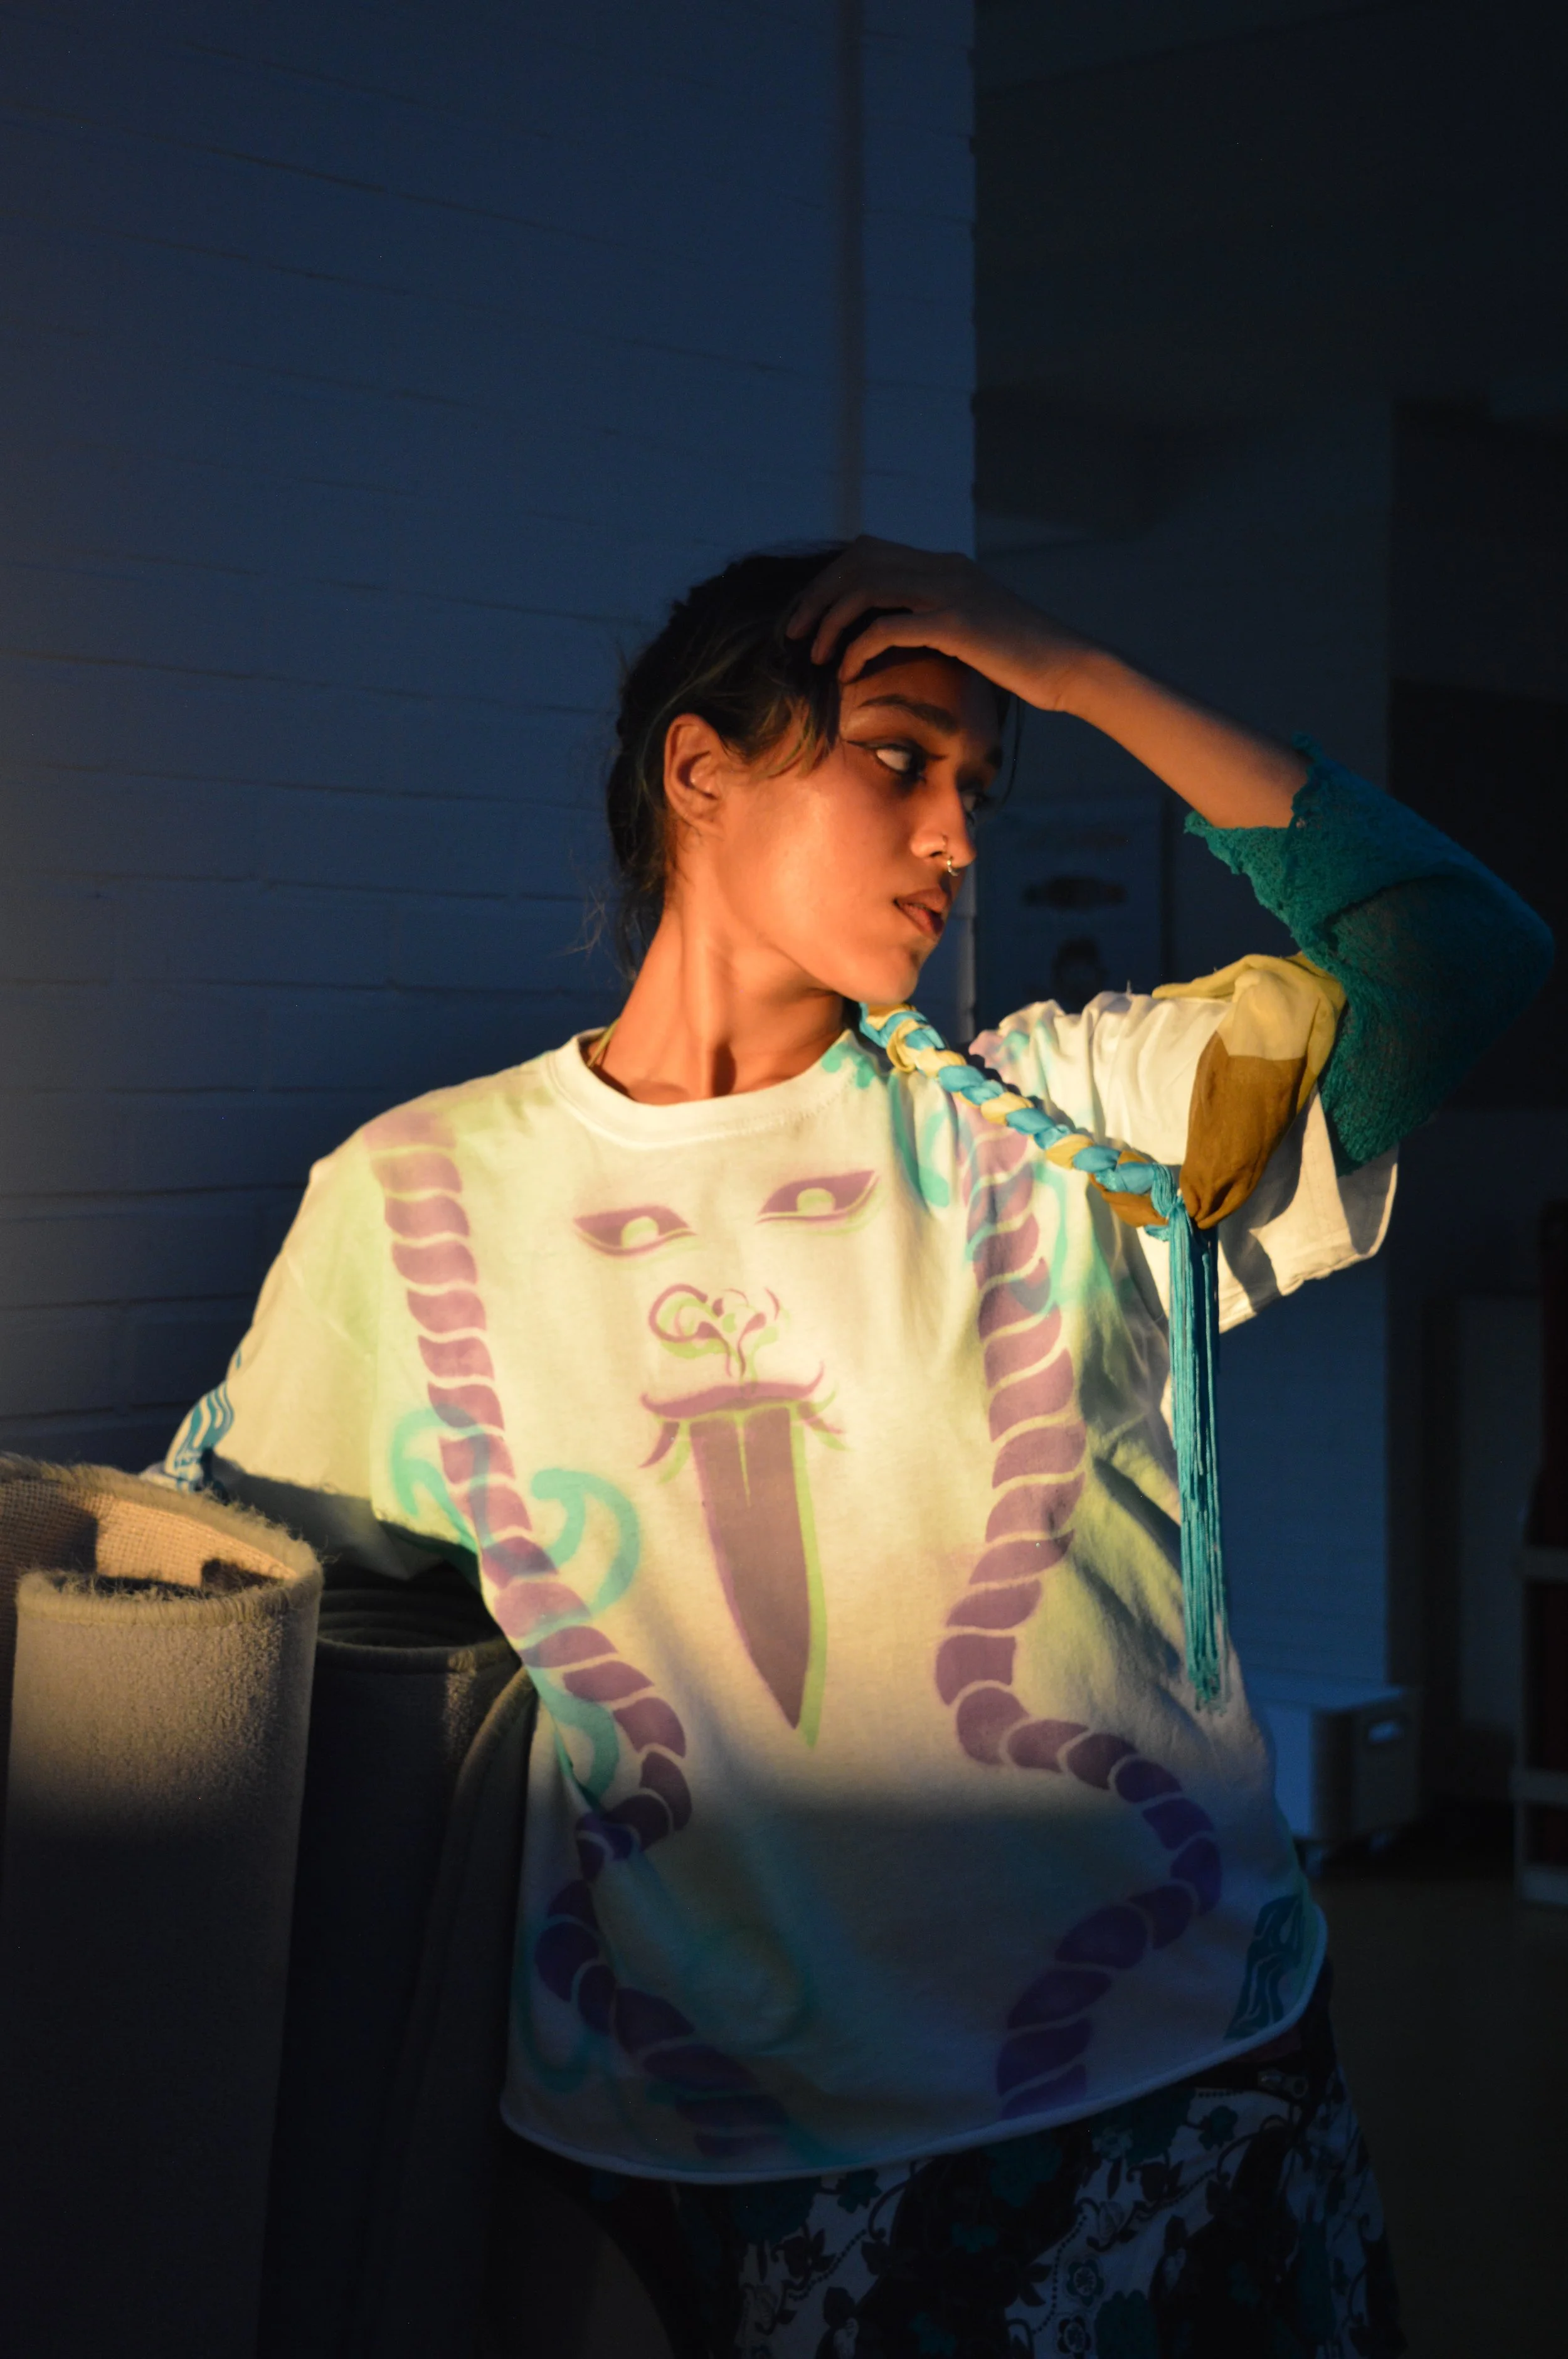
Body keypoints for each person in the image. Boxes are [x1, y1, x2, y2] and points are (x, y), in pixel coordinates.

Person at [163, 539, 1550, 2357]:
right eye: (900, 757)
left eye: (982, 780)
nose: (956, 836)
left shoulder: (1073, 1130)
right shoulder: (421, 1200)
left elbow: (1452, 956)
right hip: (685, 2130)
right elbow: (257, 1620)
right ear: (698, 769)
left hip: (1167, 2081)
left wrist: (1073, 668)